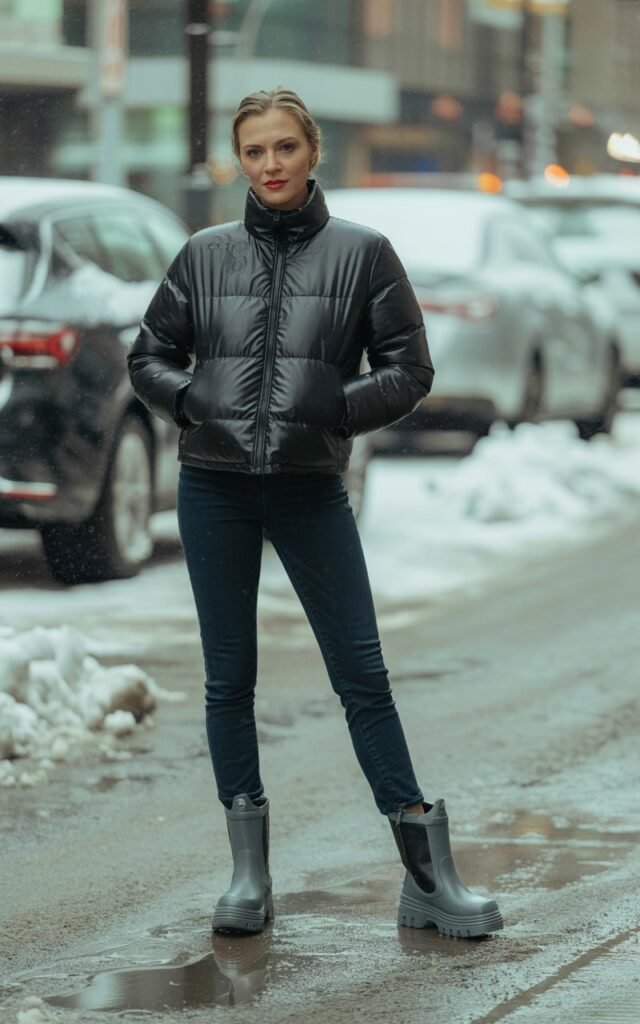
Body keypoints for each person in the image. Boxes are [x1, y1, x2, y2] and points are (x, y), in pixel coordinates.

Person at [128, 87, 502, 940]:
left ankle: (426, 875)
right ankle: (249, 876)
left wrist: (332, 407)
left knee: (361, 675)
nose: (270, 166)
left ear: (312, 150)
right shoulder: (202, 254)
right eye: (254, 151)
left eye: (285, 148)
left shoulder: (364, 254)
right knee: (230, 680)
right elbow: (147, 357)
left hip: (310, 489)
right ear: (238, 160)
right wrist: (195, 401)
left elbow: (410, 369)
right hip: (212, 486)